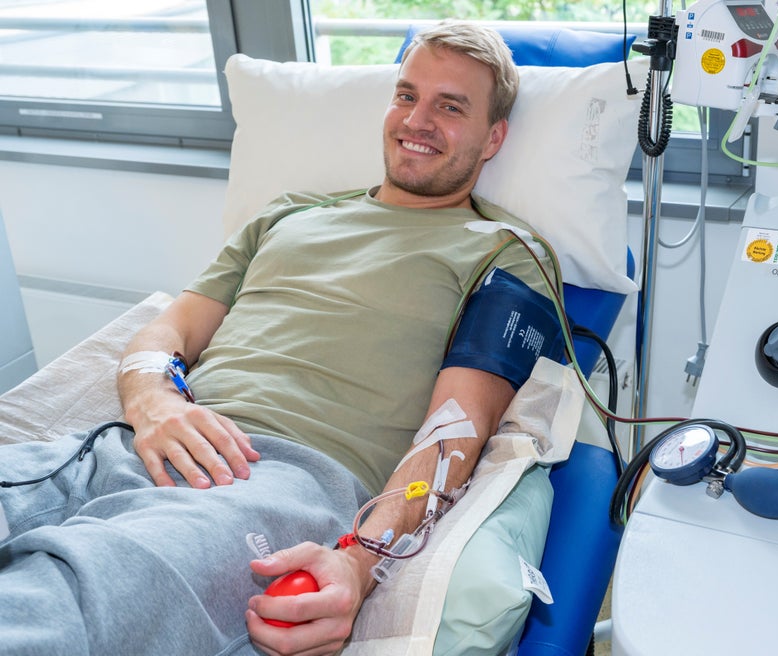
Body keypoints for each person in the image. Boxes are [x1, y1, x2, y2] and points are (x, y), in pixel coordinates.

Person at [0, 22, 557, 656]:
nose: (417, 120)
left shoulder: (506, 253)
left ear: (494, 138)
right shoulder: (288, 215)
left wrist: (362, 558)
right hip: (135, 445)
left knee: (56, 606)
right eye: (406, 95)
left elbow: (455, 432)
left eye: (450, 106)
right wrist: (154, 402)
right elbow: (168, 330)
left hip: (274, 481)